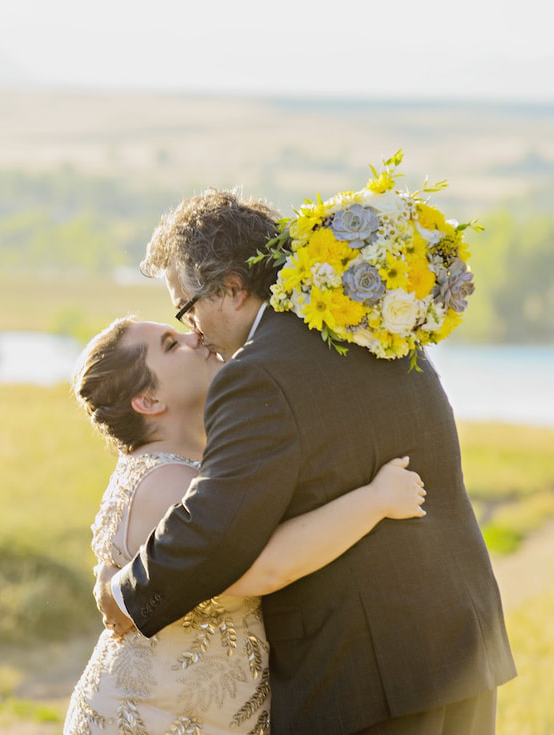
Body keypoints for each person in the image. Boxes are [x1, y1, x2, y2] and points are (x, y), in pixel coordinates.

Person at [96, 190, 516, 735]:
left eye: (187, 306)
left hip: (366, 674)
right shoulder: (371, 328)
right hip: (462, 647)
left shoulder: (259, 373)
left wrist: (126, 592)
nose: (193, 330)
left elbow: (216, 527)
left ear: (230, 288)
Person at [65, 316, 429, 735]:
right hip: (153, 722)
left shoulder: (183, 470)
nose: (195, 334)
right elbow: (266, 568)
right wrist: (376, 500)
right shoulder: (165, 483)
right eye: (171, 343)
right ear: (148, 401)